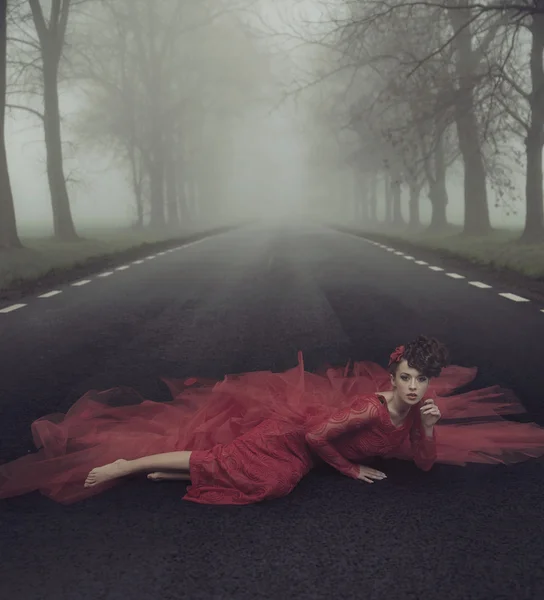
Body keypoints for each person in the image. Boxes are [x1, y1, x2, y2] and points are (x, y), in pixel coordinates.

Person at [1, 335, 544, 505]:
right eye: (404, 377)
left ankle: (165, 474)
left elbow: (424, 466)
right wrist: (351, 472)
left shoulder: (419, 410)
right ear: (394, 374)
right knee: (264, 477)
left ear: (428, 382)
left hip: (311, 451)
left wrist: (427, 428)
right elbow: (312, 435)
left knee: (272, 485)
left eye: (420, 381)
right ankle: (128, 463)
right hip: (295, 437)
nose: (411, 388)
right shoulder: (367, 408)